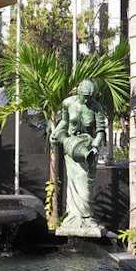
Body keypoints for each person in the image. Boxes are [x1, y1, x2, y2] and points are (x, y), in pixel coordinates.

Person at [49, 79, 107, 235]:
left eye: (91, 96)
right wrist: (56, 133)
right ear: (79, 92)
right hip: (72, 149)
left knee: (86, 185)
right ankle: (73, 217)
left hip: (88, 148)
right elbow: (64, 122)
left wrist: (95, 146)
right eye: (85, 96)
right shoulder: (68, 103)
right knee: (73, 184)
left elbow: (101, 131)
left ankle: (86, 217)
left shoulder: (96, 107)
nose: (88, 99)